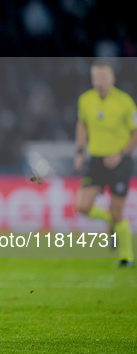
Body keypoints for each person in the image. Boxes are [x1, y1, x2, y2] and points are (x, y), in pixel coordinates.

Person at [75, 61, 136, 267]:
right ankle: (111, 221)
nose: (99, 82)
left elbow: (135, 132)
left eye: (103, 78)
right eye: (96, 78)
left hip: (120, 161)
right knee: (82, 206)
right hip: (97, 160)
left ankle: (126, 258)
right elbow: (82, 125)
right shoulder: (85, 100)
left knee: (117, 210)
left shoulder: (125, 102)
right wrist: (81, 151)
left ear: (112, 79)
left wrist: (120, 154)